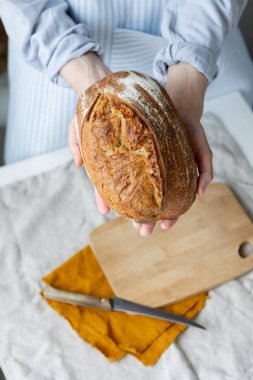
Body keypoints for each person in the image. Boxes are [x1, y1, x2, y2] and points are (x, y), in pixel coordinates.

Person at [0, 0, 248, 236]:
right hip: (52, 50)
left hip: (205, 43)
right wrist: (86, 77)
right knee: (33, 206)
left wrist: (187, 85)